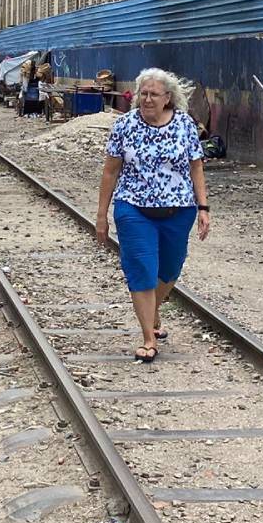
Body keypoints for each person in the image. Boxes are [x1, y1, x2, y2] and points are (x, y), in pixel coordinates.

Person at [96, 68, 211, 363]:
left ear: (168, 98)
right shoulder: (124, 126)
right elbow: (111, 172)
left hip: (179, 210)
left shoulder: (185, 125)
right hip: (133, 208)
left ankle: (154, 310)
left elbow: (196, 166)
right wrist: (101, 215)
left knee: (170, 269)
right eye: (142, 94)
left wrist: (203, 207)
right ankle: (148, 337)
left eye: (153, 94)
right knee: (142, 269)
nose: (146, 99)